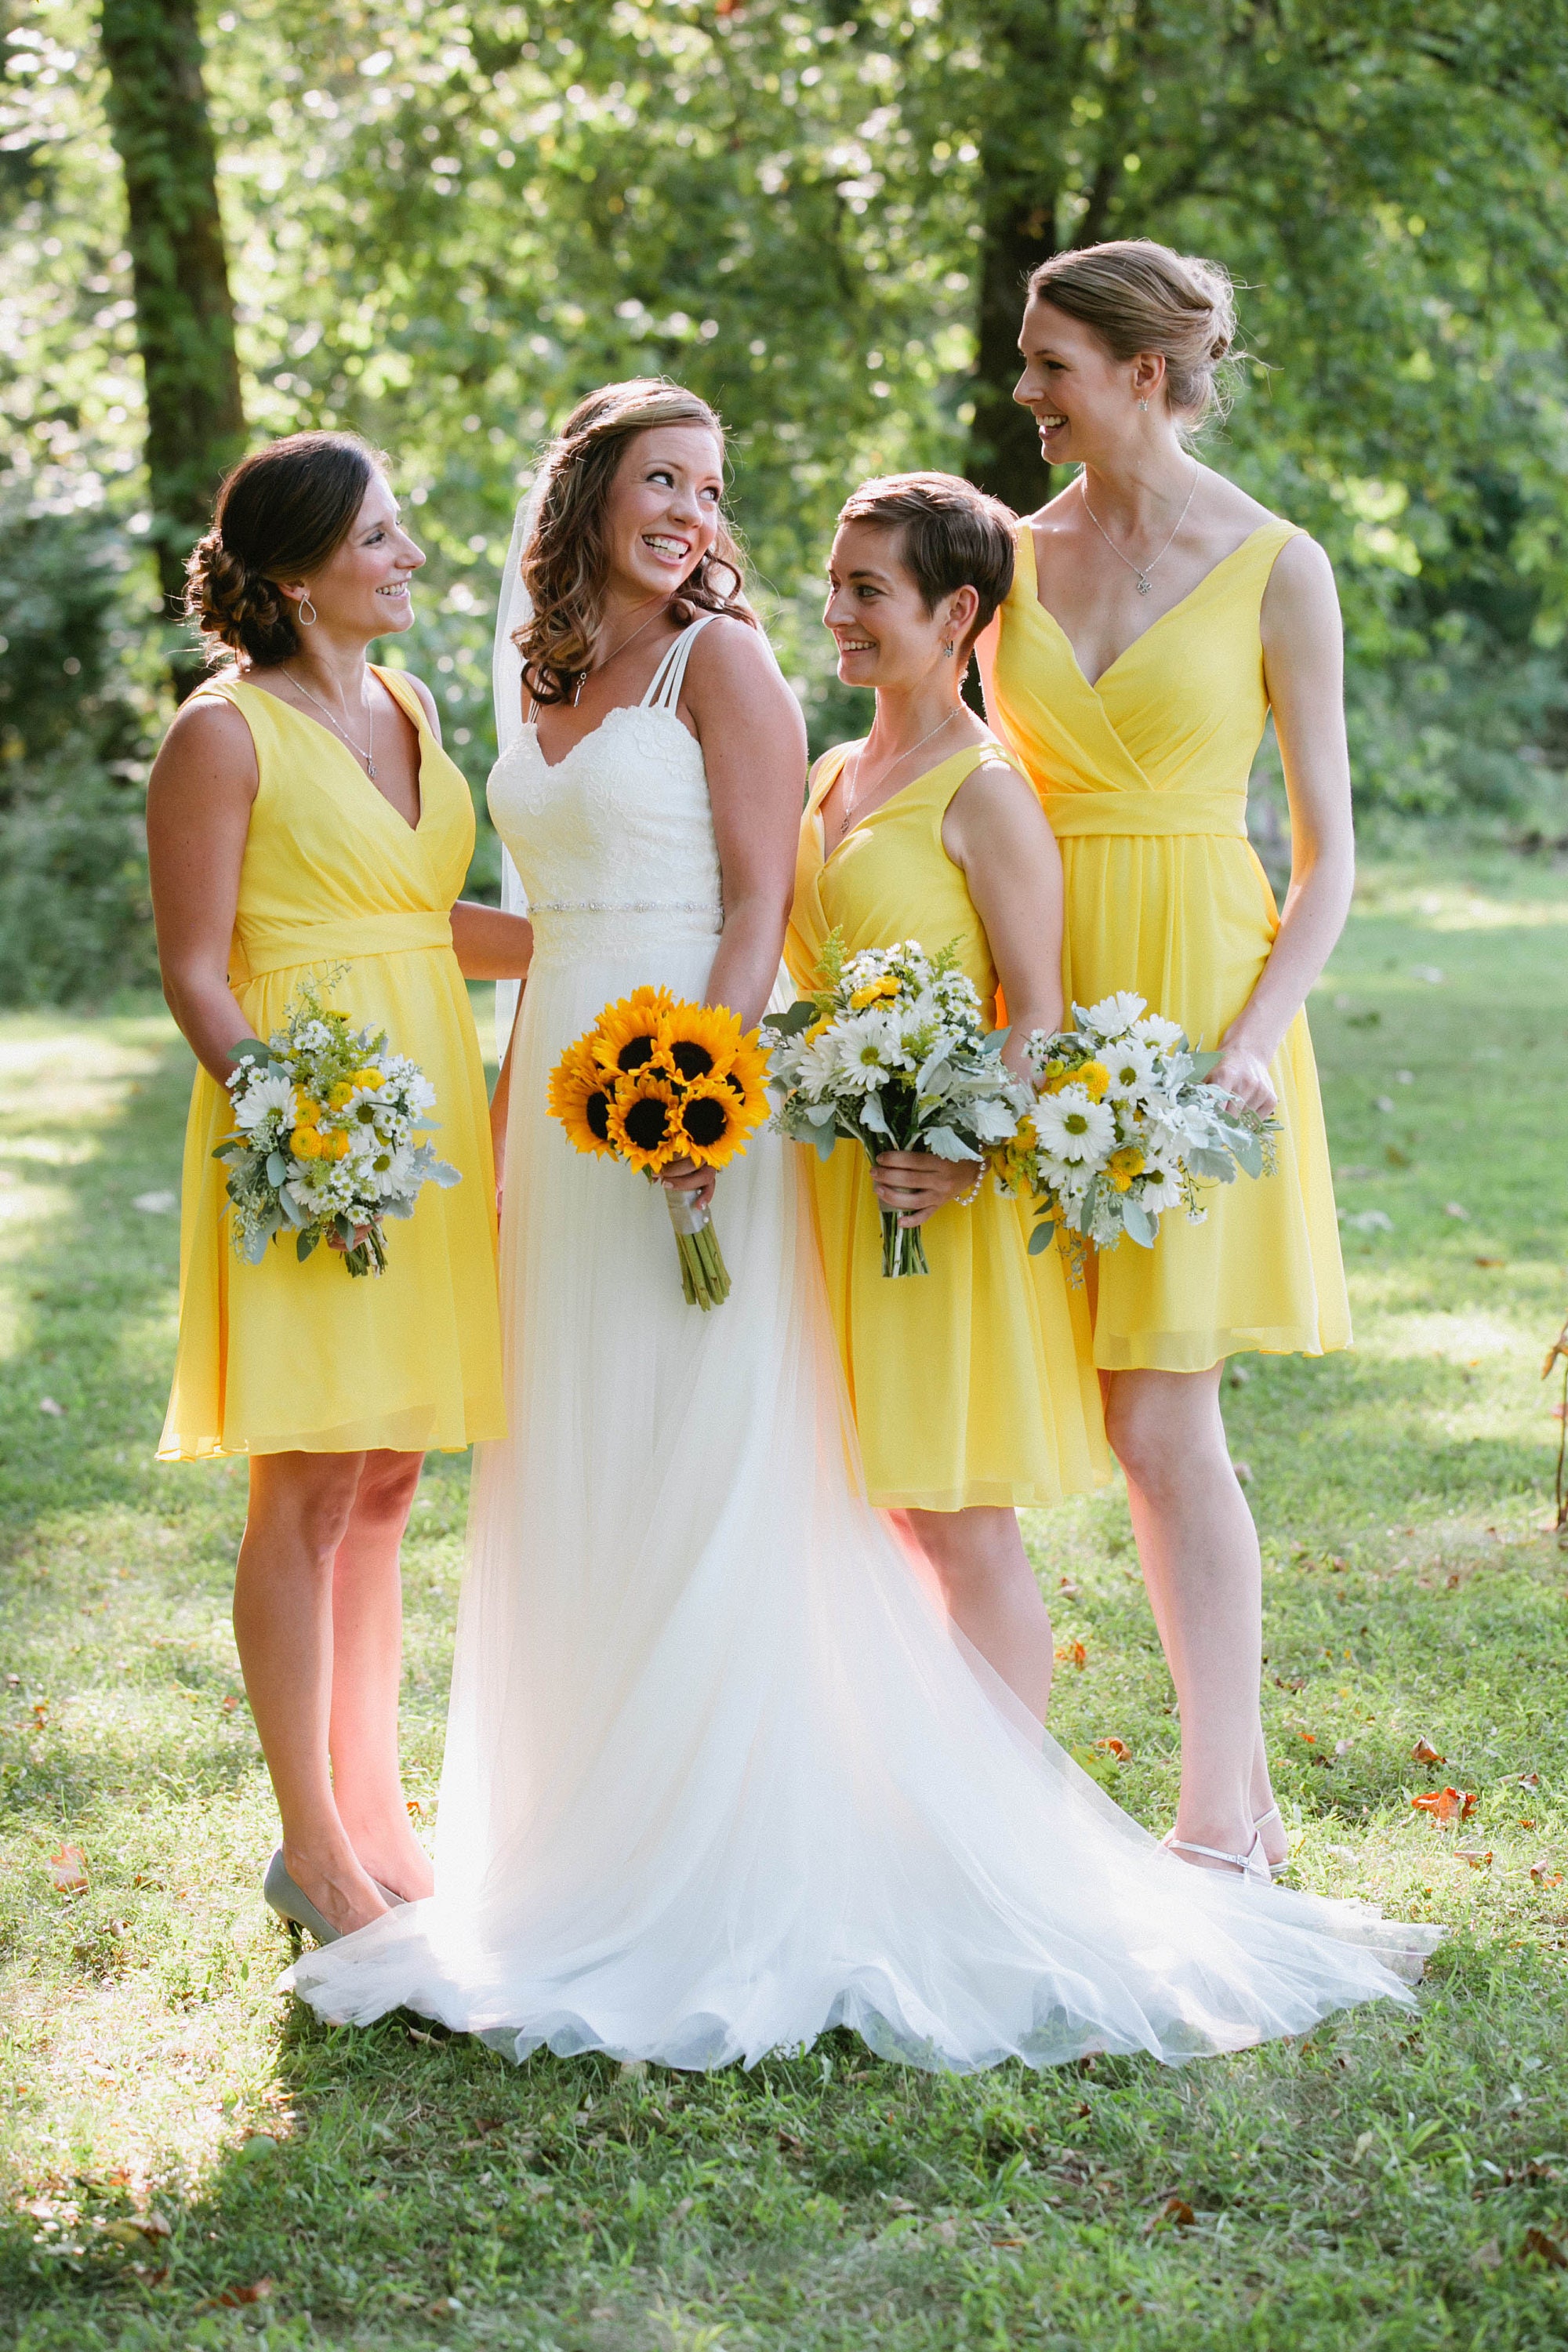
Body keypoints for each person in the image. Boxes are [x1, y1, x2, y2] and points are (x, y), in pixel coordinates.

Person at [281, 378, 1432, 2071]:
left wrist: (701, 1079)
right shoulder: (535, 667)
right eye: (660, 478)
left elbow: (762, 904)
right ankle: (567, 1830)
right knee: (572, 1456)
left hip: (696, 1091)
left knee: (712, 1453)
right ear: (587, 488)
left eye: (712, 483)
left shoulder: (721, 661)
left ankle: (759, 1841)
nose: (690, 509)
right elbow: (531, 912)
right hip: (554, 1097)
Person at [978, 238, 1355, 1882]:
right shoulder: (997, 559)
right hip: (1036, 994)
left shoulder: (1278, 565)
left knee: (1160, 1423)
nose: (1025, 393)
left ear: (1143, 372)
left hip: (1198, 1015)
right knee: (975, 1405)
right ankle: (975, 1802)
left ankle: (1225, 1813)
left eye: (1049, 363)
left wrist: (1251, 1044)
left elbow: (1331, 852)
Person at [147, 430, 529, 1942]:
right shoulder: (222, 737)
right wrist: (305, 1137)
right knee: (304, 1486)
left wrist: (614, 944)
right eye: (380, 537)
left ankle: (373, 1815)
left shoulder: (412, 706)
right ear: (298, 571)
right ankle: (310, 1844)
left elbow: (427, 920)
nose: (411, 558)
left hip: (423, 1121)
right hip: (310, 1141)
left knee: (383, 1481)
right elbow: (194, 975)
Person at [788, 472, 1107, 1719]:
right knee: (885, 1514)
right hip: (830, 1200)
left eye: (869, 590)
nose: (837, 611)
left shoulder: (986, 791)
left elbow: (1039, 1012)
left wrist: (966, 1154)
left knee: (960, 1526)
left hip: (936, 1208)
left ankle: (1006, 1836)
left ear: (957, 610)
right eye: (833, 583)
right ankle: (927, 1803)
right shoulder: (827, 774)